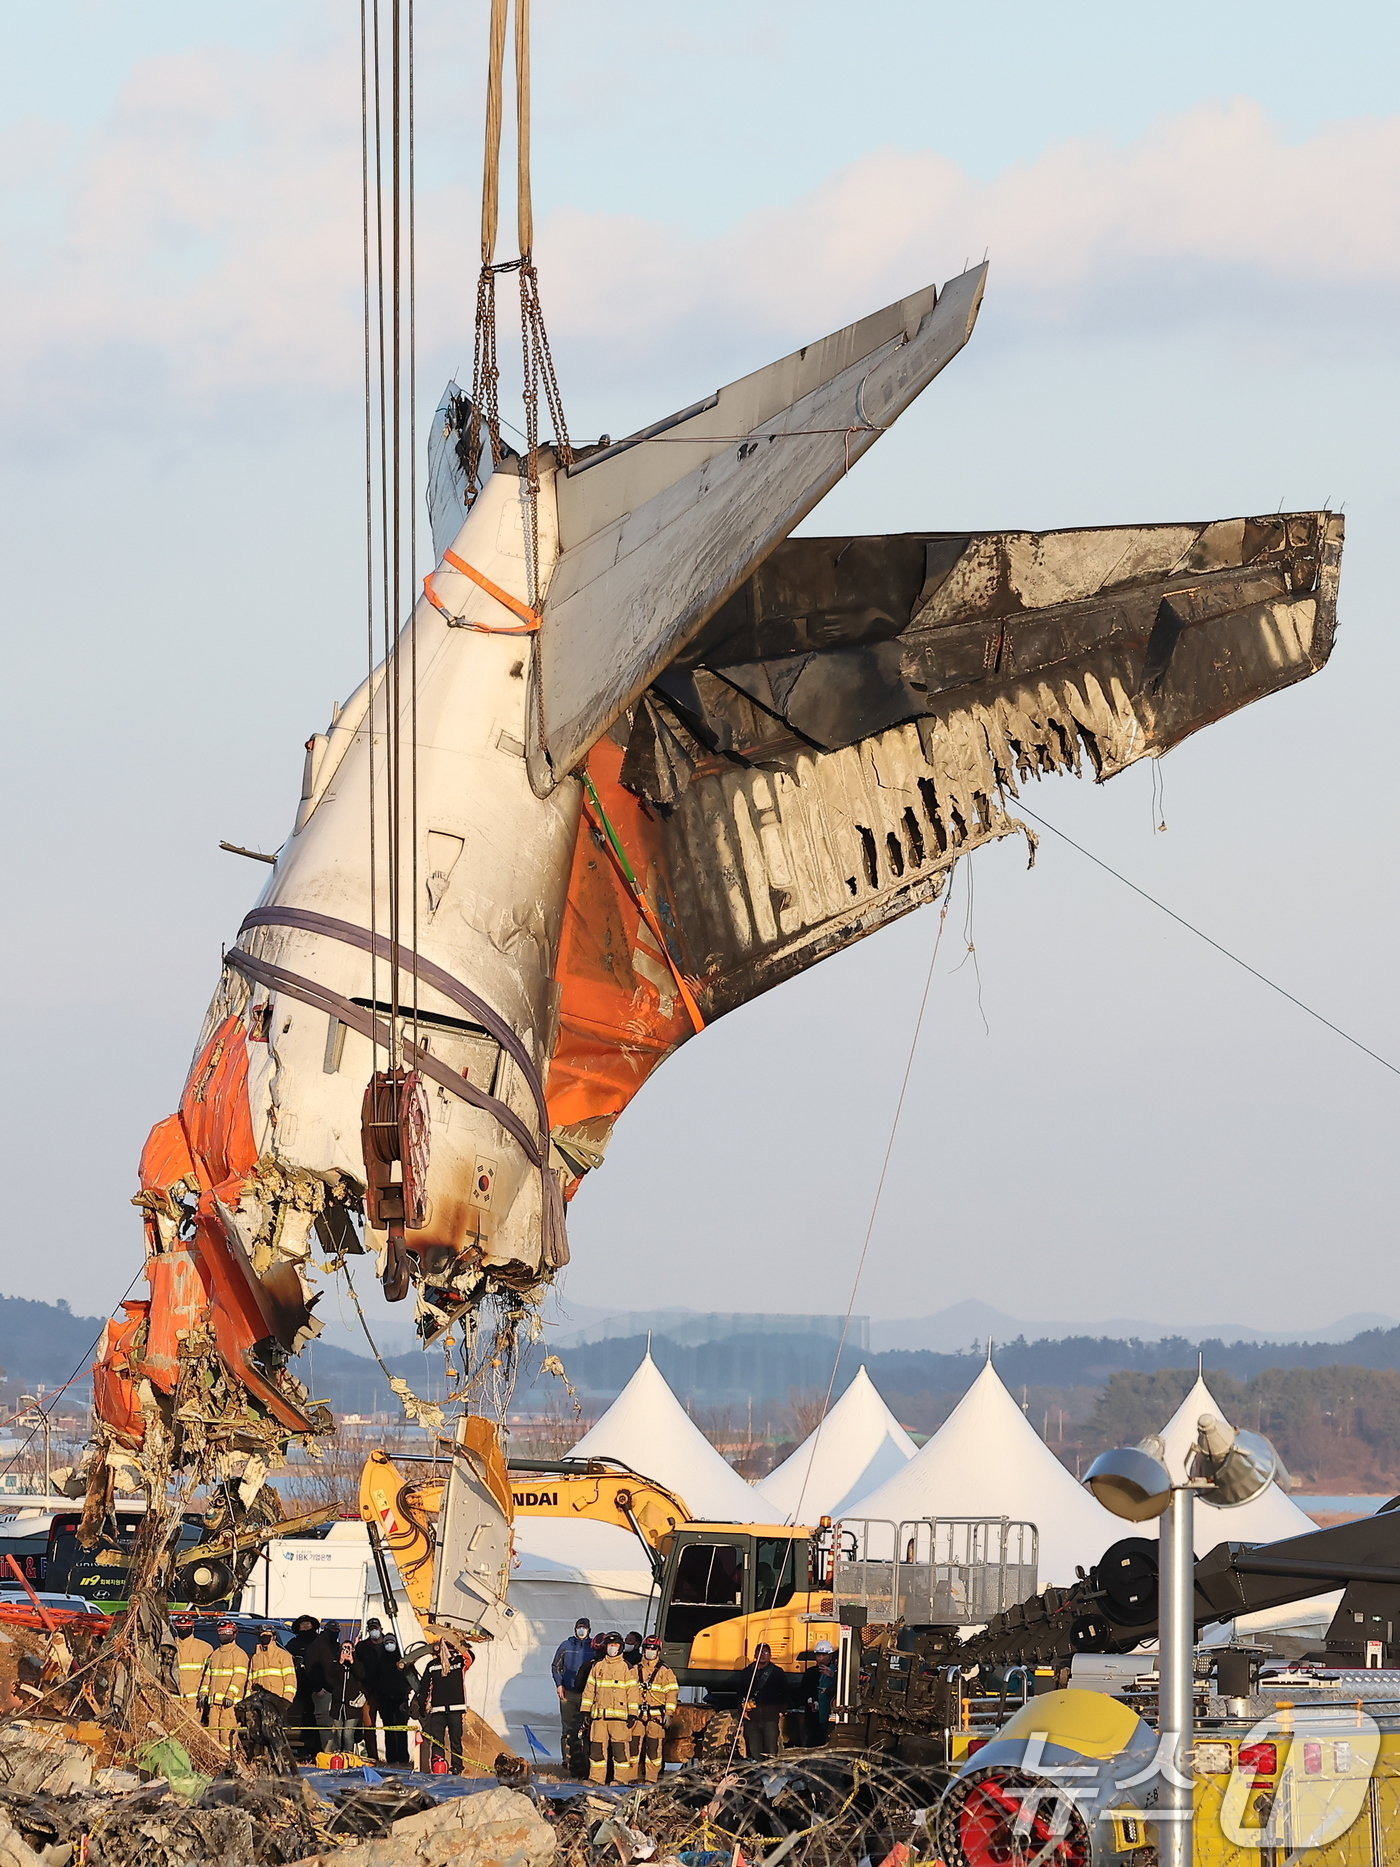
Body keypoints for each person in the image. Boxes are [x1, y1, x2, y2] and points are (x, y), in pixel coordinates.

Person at [580, 1632, 637, 1785]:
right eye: (610, 1645)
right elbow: (589, 1690)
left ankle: (620, 1779)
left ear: (621, 1648)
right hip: (599, 1718)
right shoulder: (598, 1666)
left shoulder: (627, 1668)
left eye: (616, 1645)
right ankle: (596, 1779)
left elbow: (633, 1693)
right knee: (597, 1750)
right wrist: (585, 1711)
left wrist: (633, 1713)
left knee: (620, 1751)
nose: (613, 1648)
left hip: (619, 1720)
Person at [417, 1639, 474, 1774]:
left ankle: (456, 1767)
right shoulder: (433, 1665)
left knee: (454, 1740)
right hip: (438, 1709)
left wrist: (459, 1643)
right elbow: (424, 1687)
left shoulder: (459, 1662)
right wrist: (422, 1706)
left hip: (454, 1708)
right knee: (439, 1741)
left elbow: (470, 1657)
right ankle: (439, 1766)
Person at [287, 1613, 337, 1761]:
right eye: (303, 1625)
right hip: (300, 1688)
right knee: (306, 1718)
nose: (306, 1627)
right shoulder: (293, 1644)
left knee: (323, 1720)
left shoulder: (321, 1642)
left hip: (321, 1689)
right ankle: (306, 1748)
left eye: (308, 1624)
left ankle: (320, 1750)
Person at [199, 1619, 249, 1758]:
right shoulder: (215, 1654)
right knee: (213, 1732)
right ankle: (216, 1759)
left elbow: (239, 1677)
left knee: (227, 1733)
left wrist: (231, 1695)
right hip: (214, 1703)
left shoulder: (239, 1654)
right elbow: (208, 1675)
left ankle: (230, 1759)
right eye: (221, 1632)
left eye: (227, 1632)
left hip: (229, 1705)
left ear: (234, 1634)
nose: (223, 1635)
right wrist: (203, 1692)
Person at [551, 1616, 594, 1778]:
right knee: (568, 1728)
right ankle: (566, 1760)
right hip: (568, 1693)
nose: (581, 1630)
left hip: (587, 1694)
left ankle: (584, 1760)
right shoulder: (566, 1645)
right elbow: (556, 1666)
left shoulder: (593, 1647)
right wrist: (559, 1684)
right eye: (579, 1627)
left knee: (587, 1728)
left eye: (584, 1627)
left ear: (589, 1630)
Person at [630, 1636, 677, 1783]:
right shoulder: (634, 1669)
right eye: (647, 1648)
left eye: (653, 1648)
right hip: (637, 1716)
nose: (650, 1651)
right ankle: (632, 1778)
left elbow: (672, 1693)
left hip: (656, 1717)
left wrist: (669, 1714)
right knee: (633, 1749)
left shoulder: (665, 1672)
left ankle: (651, 1779)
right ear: (643, 1650)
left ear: (659, 1651)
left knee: (654, 1750)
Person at [740, 1643, 787, 1760]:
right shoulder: (747, 1672)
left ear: (770, 1655)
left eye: (765, 1652)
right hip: (752, 1717)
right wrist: (742, 1708)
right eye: (760, 1652)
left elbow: (785, 1692)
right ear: (755, 1654)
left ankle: (771, 1775)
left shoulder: (777, 1672)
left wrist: (782, 1710)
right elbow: (740, 1692)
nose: (762, 1655)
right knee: (754, 1750)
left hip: (770, 1717)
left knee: (771, 1750)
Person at [375, 1633, 413, 1765]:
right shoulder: (380, 1660)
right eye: (386, 1643)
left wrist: (405, 1692)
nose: (389, 1645)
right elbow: (376, 1678)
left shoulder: (403, 1659)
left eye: (391, 1642)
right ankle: (391, 1757)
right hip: (385, 1699)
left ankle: (403, 1758)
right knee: (389, 1729)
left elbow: (410, 1678)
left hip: (400, 1698)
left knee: (402, 1729)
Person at [248, 1624, 297, 1717]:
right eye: (262, 1635)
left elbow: (290, 1680)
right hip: (258, 1702)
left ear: (274, 1637)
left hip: (276, 1701)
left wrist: (286, 1701)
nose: (264, 1637)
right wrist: (249, 1699)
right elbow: (250, 1681)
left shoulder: (283, 1656)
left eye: (267, 1635)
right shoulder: (255, 1657)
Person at [172, 1613, 212, 1703]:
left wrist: (204, 1693)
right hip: (172, 1700)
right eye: (180, 1627)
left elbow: (209, 1675)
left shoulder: (205, 1648)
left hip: (194, 1701)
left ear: (192, 1628)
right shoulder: (169, 1647)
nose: (183, 1629)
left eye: (186, 1627)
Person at [803, 1641, 837, 1745]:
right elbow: (803, 1691)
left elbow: (843, 1687)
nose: (821, 1658)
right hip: (812, 1717)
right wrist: (810, 1701)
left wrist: (832, 1675)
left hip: (829, 1715)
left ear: (830, 1656)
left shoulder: (837, 1672)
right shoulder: (810, 1672)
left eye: (824, 1655)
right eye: (818, 1655)